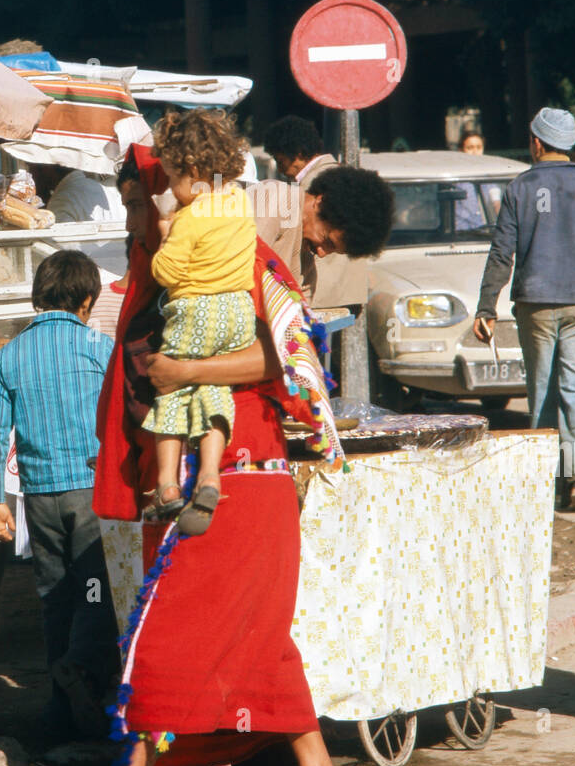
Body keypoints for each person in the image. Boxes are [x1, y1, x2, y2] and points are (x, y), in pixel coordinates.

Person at [47, 145, 346, 766]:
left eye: (135, 203)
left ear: (172, 193)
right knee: (257, 642)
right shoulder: (165, 269)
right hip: (206, 487)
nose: (130, 221)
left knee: (163, 627)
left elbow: (286, 356)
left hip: (241, 484)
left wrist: (183, 370)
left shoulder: (233, 256)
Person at [0, 250, 118, 740]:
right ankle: (84, 676)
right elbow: (123, 417)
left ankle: (60, 710)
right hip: (90, 491)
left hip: (38, 497)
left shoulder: (11, 354)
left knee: (54, 598)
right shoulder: (98, 347)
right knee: (98, 594)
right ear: (86, 300)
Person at [472, 107, 575, 513]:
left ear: (536, 143)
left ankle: (547, 481)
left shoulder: (520, 187)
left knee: (542, 388)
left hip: (534, 302)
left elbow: (502, 252)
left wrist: (486, 305)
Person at [141, 110, 257, 536]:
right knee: (213, 387)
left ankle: (167, 484)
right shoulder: (240, 200)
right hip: (237, 312)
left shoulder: (189, 218)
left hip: (196, 313)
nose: (170, 186)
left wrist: (166, 229)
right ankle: (210, 474)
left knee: (171, 388)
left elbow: (166, 273)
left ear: (191, 170)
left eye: (171, 176)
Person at [259, 116, 377, 310]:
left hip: (324, 295)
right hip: (346, 293)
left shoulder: (313, 187)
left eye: (281, 161)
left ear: (297, 153)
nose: (280, 169)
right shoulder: (340, 176)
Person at [248, 157, 394, 310]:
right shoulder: (277, 198)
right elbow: (245, 265)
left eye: (332, 250)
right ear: (320, 202)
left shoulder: (307, 267)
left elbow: (299, 314)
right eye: (327, 241)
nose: (322, 253)